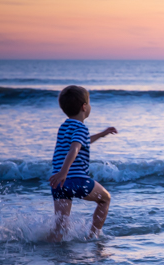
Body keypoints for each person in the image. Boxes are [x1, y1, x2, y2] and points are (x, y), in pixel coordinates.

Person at [47, 85, 117, 241]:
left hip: (58, 183)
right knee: (105, 199)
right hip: (76, 180)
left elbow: (82, 142)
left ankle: (49, 246)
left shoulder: (64, 127)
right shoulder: (81, 127)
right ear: (84, 107)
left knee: (60, 228)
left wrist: (102, 134)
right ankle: (94, 236)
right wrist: (65, 172)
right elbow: (75, 149)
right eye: (89, 103)